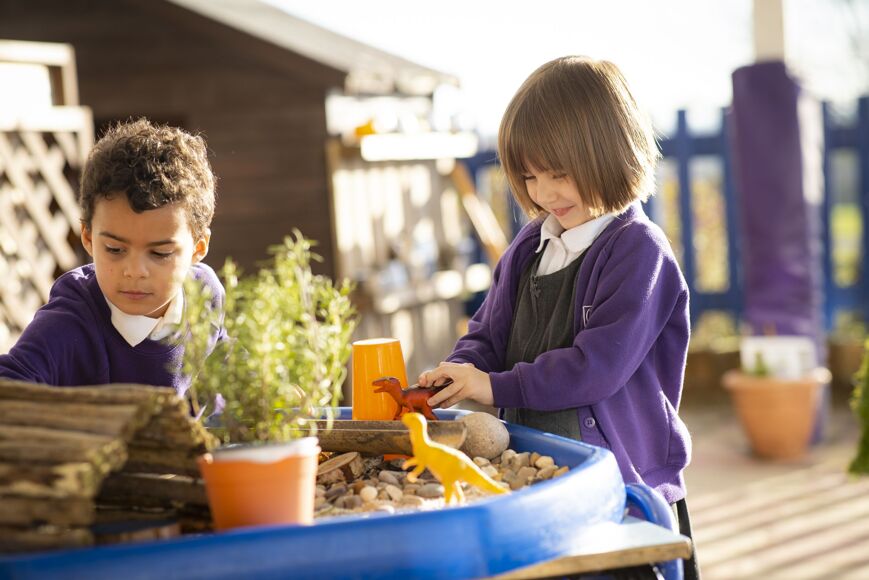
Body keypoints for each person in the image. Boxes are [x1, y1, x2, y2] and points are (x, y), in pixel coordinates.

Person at [418, 56, 700, 579]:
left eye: (559, 175)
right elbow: (488, 333)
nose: (543, 194)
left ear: (611, 155)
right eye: (530, 176)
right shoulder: (531, 244)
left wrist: (495, 387)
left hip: (622, 483)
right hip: (542, 473)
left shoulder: (639, 251)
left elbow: (597, 368)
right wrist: (461, 371)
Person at [0, 119, 225, 397]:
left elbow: (229, 370)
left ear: (198, 247)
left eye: (160, 253)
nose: (134, 271)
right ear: (88, 237)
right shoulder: (70, 322)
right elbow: (10, 385)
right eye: (115, 250)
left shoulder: (204, 296)